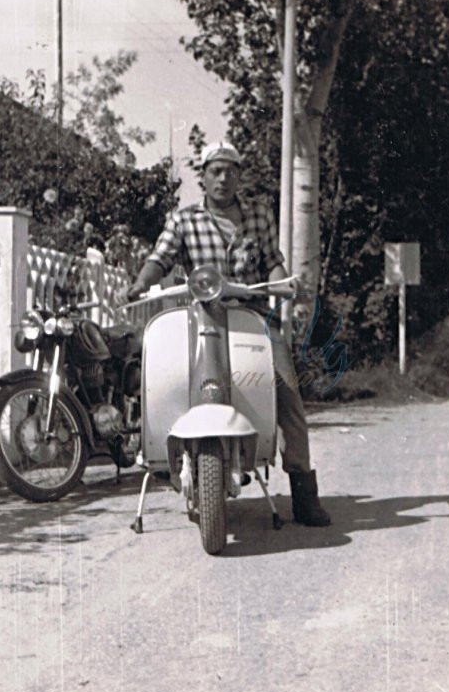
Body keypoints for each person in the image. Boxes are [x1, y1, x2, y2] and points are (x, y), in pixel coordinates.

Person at [126, 141, 331, 527]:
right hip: (201, 318)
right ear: (202, 177)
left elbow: (273, 262)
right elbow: (160, 258)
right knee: (162, 379)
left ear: (239, 176)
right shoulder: (183, 220)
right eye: (215, 170)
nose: (223, 177)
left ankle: (305, 493)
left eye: (230, 170)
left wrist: (280, 284)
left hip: (253, 314)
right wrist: (140, 282)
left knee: (287, 390)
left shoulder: (257, 216)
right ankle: (156, 452)